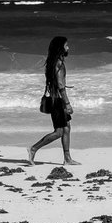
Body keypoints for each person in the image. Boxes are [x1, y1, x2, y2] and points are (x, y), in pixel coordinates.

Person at [27, 36, 80, 165]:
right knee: (59, 132)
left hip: (55, 99)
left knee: (67, 128)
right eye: (66, 45)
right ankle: (33, 148)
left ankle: (67, 159)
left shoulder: (53, 62)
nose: (68, 48)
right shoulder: (58, 63)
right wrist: (67, 104)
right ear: (60, 48)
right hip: (58, 101)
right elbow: (61, 85)